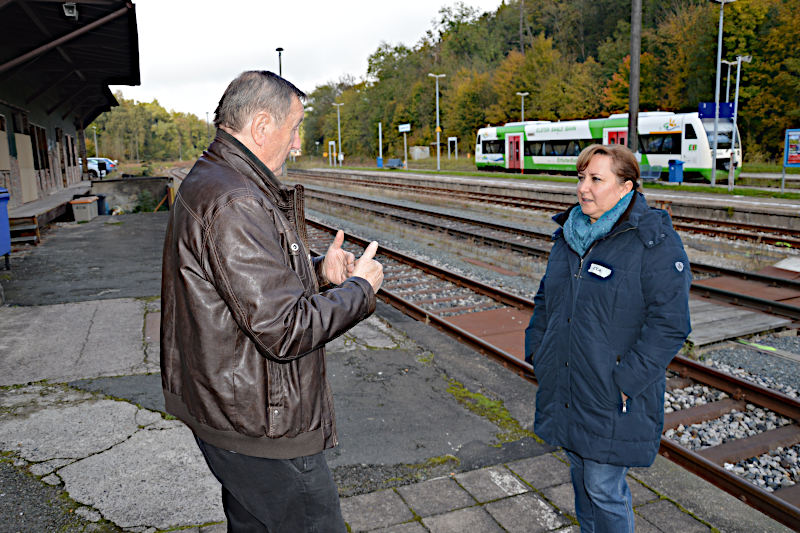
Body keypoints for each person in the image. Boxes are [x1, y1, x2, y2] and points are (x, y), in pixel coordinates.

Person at [160, 70, 383, 532]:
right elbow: (285, 329)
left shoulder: (214, 179)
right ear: (262, 127)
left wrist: (320, 272)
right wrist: (359, 291)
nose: (298, 142)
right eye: (294, 127)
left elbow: (246, 282)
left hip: (230, 407)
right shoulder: (236, 199)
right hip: (262, 422)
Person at [524, 144, 691, 532]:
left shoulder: (652, 241)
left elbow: (670, 323)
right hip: (568, 382)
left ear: (626, 187)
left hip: (611, 391)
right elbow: (547, 300)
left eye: (596, 179)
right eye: (581, 177)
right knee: (582, 481)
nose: (584, 188)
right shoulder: (570, 236)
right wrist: (539, 351)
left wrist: (625, 382)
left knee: (603, 487)